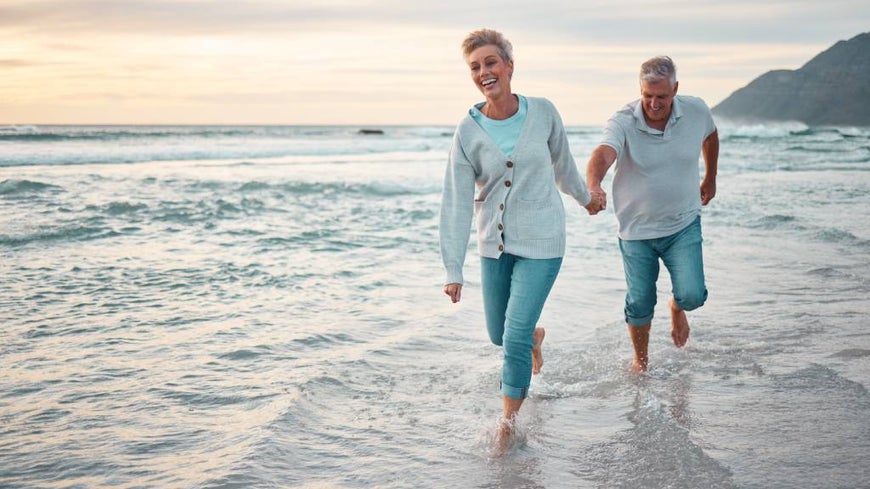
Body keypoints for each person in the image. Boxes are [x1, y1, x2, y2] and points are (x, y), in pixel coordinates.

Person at [439, 28, 604, 451]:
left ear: (509, 66)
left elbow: (564, 167)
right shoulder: (467, 131)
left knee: (509, 338)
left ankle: (507, 425)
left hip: (544, 241)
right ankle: (533, 338)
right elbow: (456, 201)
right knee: (501, 334)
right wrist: (452, 268)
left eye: (491, 62)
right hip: (494, 248)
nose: (483, 72)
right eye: (475, 67)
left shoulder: (544, 112)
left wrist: (587, 200)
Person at [585, 56, 719, 373]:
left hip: (683, 224)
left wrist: (710, 176)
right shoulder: (623, 120)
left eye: (662, 96)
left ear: (675, 89)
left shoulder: (696, 110)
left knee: (692, 295)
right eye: (648, 96)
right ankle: (641, 363)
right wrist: (593, 184)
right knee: (640, 302)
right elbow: (603, 153)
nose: (654, 104)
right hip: (636, 232)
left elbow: (710, 136)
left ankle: (677, 307)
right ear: (640, 90)